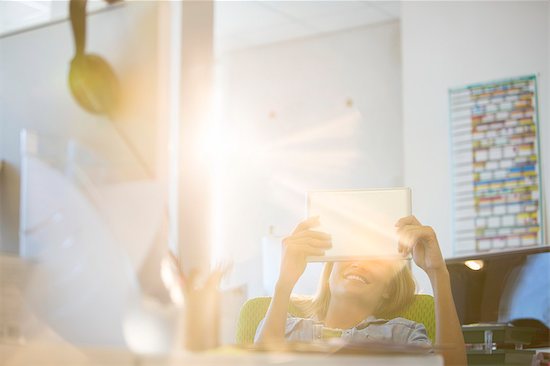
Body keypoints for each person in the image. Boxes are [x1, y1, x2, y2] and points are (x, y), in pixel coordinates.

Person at [255, 215, 467, 365]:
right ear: (329, 272)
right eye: (352, 252)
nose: (360, 263)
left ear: (388, 288)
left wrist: (437, 273)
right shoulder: (286, 328)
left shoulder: (403, 335)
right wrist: (285, 282)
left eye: (376, 259)